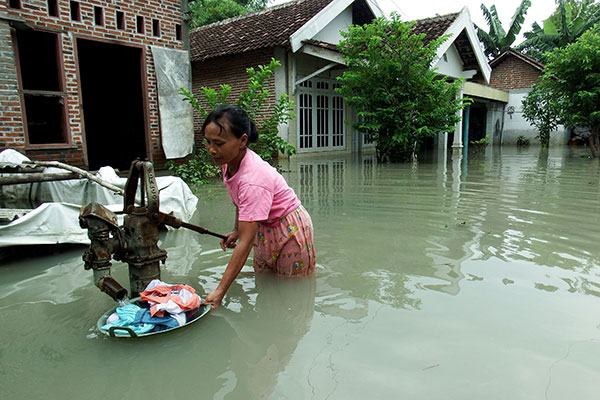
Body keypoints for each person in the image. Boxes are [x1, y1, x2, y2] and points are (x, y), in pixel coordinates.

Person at [201, 104, 316, 309]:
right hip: (263, 227)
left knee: (292, 294)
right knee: (265, 283)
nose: (211, 149)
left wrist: (219, 291)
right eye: (208, 142)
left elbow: (246, 243)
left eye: (218, 143)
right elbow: (240, 202)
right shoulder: (229, 162)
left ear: (242, 140)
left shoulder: (253, 179)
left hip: (289, 228)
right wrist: (237, 230)